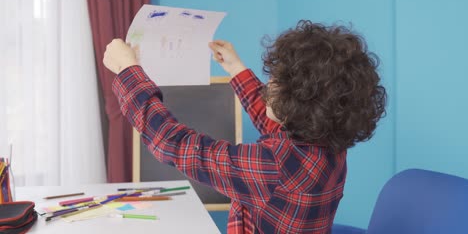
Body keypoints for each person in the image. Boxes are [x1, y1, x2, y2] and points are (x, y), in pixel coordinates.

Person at [103, 20, 387, 234]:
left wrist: (129, 73)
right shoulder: (326, 142)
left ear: (302, 102)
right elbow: (272, 122)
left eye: (277, 81)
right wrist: (237, 69)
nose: (268, 87)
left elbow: (175, 144)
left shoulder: (273, 167)